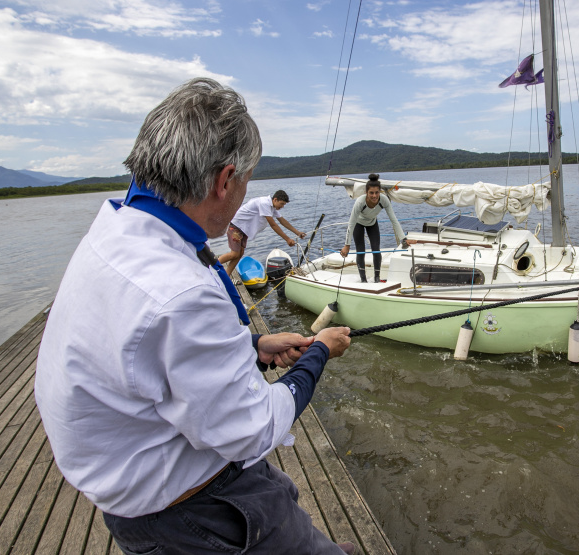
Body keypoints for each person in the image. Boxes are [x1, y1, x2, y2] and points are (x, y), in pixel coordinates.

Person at [35, 77, 356, 555]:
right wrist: (321, 354)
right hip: (190, 513)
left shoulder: (119, 224)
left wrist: (254, 348)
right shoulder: (179, 291)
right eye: (246, 179)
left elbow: (148, 354)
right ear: (225, 180)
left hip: (140, 497)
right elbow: (255, 430)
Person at [218, 190, 306, 276]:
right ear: (275, 200)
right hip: (236, 226)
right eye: (282, 203)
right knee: (234, 254)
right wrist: (287, 239)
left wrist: (297, 233)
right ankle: (212, 264)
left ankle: (227, 275)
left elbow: (282, 221)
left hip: (244, 229)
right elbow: (273, 224)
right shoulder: (264, 203)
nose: (282, 206)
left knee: (240, 253)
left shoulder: (272, 207)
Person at [339, 173, 406, 283]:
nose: (374, 196)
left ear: (380, 192)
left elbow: (394, 220)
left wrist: (403, 238)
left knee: (376, 250)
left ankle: (376, 277)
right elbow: (351, 224)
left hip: (372, 223)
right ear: (366, 192)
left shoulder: (383, 200)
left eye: (377, 192)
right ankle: (363, 279)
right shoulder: (360, 202)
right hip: (358, 224)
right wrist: (347, 245)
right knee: (361, 251)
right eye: (371, 193)